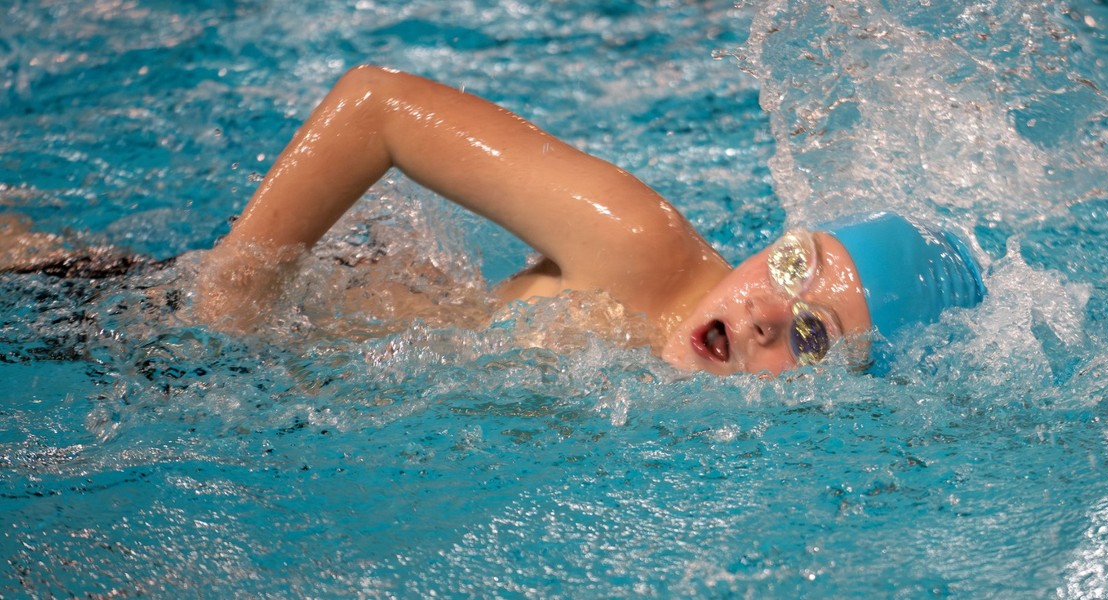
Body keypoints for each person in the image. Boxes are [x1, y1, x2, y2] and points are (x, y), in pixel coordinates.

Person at [186, 66, 987, 375]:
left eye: (812, 338)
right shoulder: (640, 247)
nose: (764, 314)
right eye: (790, 266)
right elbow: (377, 107)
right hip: (202, 336)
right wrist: (230, 303)